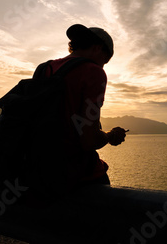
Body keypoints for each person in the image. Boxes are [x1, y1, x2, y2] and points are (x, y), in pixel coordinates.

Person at [33, 24, 127, 187]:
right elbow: (88, 141)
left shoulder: (44, 68)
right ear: (98, 49)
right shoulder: (93, 71)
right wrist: (110, 135)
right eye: (105, 61)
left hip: (35, 168)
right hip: (69, 172)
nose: (103, 66)